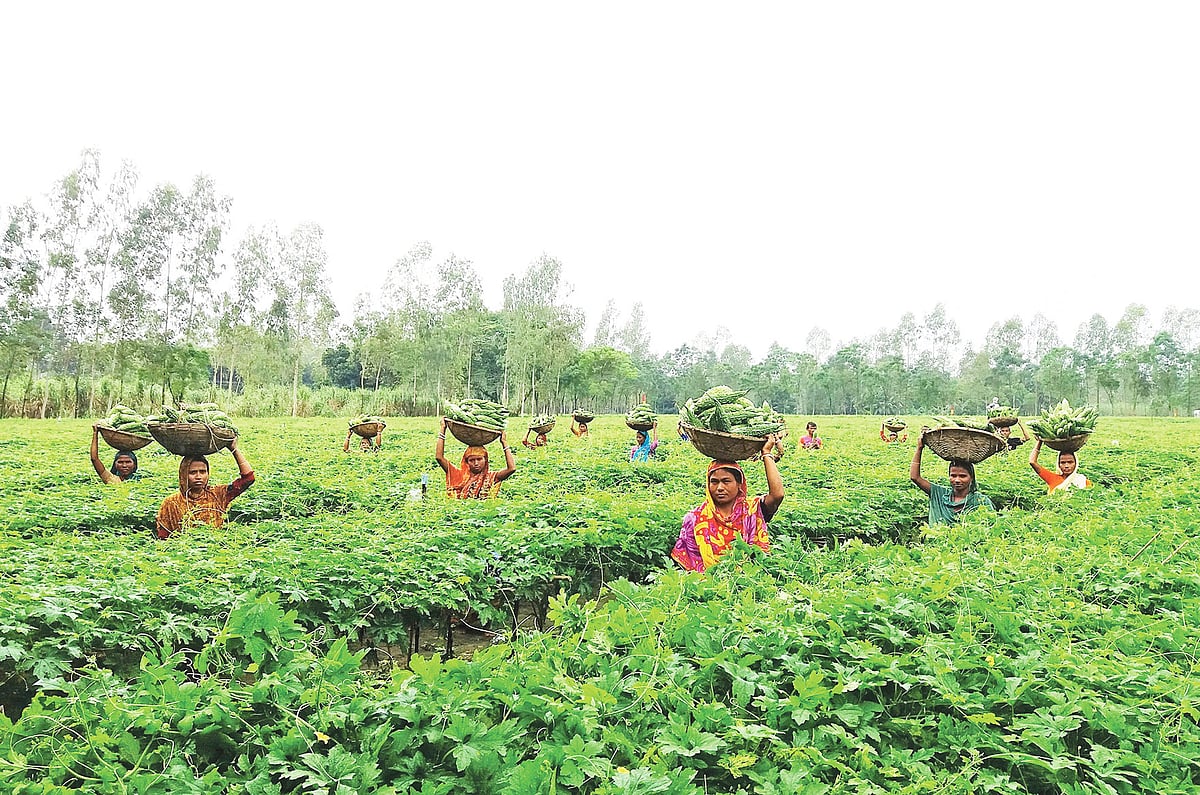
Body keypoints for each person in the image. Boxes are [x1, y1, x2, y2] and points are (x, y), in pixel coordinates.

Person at [672, 436, 785, 573]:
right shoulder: (695, 518)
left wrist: (766, 453)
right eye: (714, 482)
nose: (719, 487)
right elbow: (687, 566)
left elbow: (777, 495)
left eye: (726, 481)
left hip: (749, 584)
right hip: (707, 588)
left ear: (739, 484)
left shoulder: (752, 511)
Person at [156, 439, 255, 539]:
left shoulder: (218, 494)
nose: (198, 476)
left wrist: (234, 449)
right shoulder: (171, 503)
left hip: (213, 550)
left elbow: (248, 478)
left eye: (202, 472)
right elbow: (163, 536)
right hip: (183, 551)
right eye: (193, 472)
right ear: (183, 475)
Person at [910, 429, 994, 525]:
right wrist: (919, 448)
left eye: (963, 476)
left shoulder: (980, 501)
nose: (957, 480)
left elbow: (990, 527)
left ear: (971, 478)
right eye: (953, 475)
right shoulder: (939, 494)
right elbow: (915, 477)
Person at [435, 419, 516, 499]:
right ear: (466, 462)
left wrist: (504, 442)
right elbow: (439, 457)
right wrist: (443, 429)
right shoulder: (458, 475)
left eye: (479, 459)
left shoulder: (492, 477)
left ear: (485, 460)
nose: (476, 463)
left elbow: (511, 469)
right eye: (472, 460)